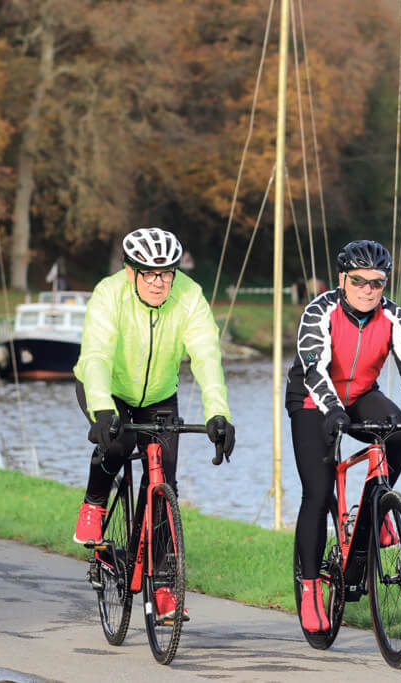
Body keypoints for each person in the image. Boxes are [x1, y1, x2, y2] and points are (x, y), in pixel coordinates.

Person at [285, 239, 401, 633]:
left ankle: (378, 508)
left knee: (396, 432)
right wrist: (333, 411)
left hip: (359, 395)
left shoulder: (394, 316)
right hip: (312, 399)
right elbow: (315, 369)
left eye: (376, 283)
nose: (368, 290)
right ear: (343, 279)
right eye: (359, 281)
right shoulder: (319, 310)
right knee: (318, 491)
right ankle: (309, 588)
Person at [72, 227, 236, 619]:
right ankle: (95, 502)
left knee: (163, 483)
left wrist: (219, 413)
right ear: (131, 272)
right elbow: (95, 355)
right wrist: (101, 409)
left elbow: (206, 357)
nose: (160, 282)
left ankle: (161, 583)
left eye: (167, 273)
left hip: (159, 396)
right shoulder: (108, 293)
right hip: (106, 388)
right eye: (149, 273)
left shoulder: (189, 296)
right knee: (115, 445)